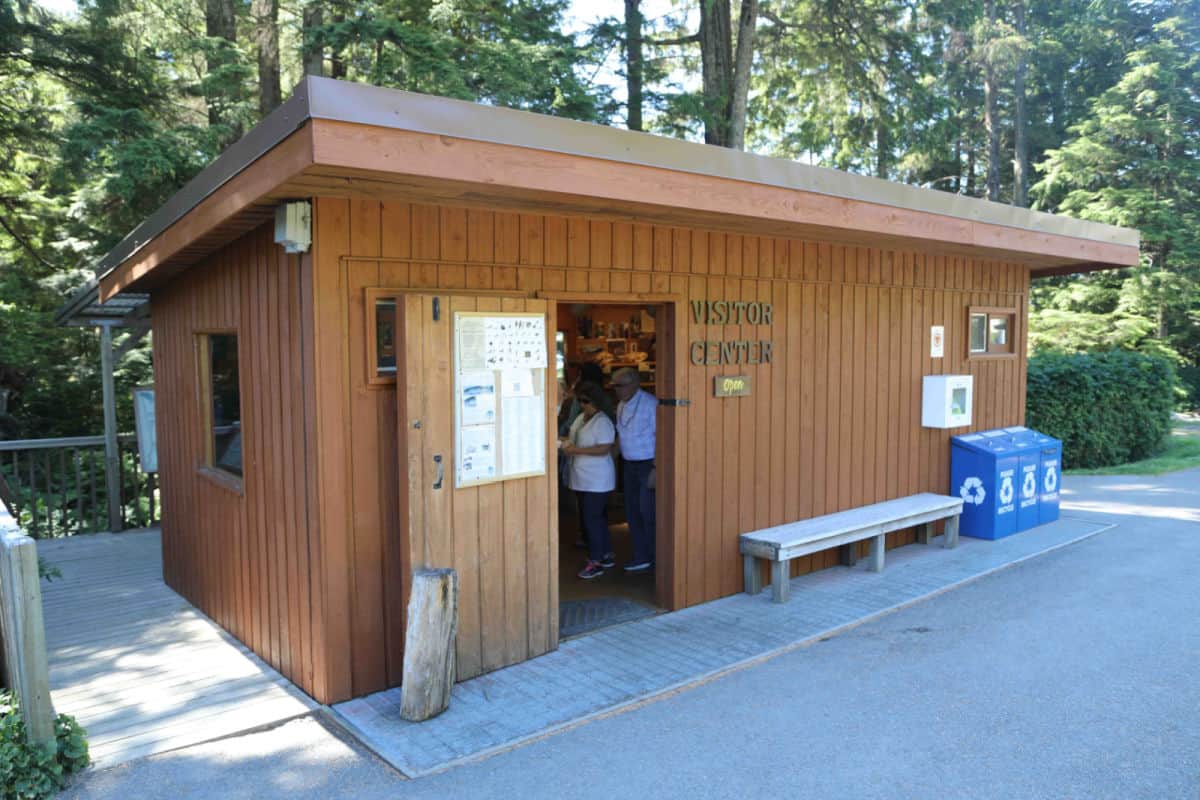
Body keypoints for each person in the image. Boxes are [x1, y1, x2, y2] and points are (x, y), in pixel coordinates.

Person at [561, 383, 617, 579]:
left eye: (585, 401)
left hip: (597, 478)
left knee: (591, 519)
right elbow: (572, 435)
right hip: (582, 476)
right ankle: (606, 554)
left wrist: (576, 450)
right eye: (580, 401)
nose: (582, 404)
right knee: (595, 517)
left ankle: (596, 561)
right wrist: (564, 441)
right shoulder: (581, 417)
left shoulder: (602, 422)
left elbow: (604, 448)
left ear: (596, 402)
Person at [612, 367, 655, 572]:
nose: (616, 390)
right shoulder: (620, 405)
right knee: (631, 511)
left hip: (648, 464)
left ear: (634, 384)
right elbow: (621, 435)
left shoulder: (650, 404)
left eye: (620, 385)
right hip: (628, 464)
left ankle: (653, 555)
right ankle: (641, 555)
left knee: (647, 511)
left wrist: (657, 467)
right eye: (614, 386)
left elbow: (663, 436)